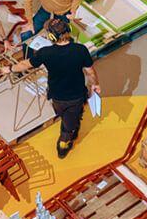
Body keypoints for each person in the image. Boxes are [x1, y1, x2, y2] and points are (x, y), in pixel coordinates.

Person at [9, 18, 100, 158]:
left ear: (51, 36)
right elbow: (90, 72)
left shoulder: (45, 52)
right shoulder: (80, 50)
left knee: (65, 117)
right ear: (68, 31)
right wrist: (95, 84)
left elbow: (25, 65)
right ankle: (63, 147)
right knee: (68, 127)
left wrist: (10, 68)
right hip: (75, 97)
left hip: (56, 96)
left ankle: (70, 128)